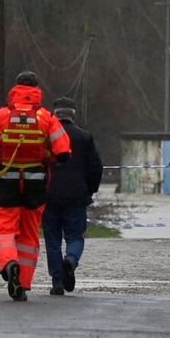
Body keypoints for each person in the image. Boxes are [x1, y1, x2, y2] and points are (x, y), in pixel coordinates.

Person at [0, 72, 71, 302]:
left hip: (6, 180)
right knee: (30, 235)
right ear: (37, 90)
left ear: (16, 88)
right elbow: (64, 153)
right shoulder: (46, 117)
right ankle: (22, 283)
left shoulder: (2, 115)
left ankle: (9, 263)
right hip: (35, 184)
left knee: (5, 230)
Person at [42, 97, 103, 296]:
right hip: (77, 195)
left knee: (52, 239)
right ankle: (71, 259)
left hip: (49, 194)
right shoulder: (85, 137)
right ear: (73, 115)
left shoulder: (46, 137)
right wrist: (90, 189)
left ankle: (57, 282)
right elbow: (96, 166)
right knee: (75, 236)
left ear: (54, 114)